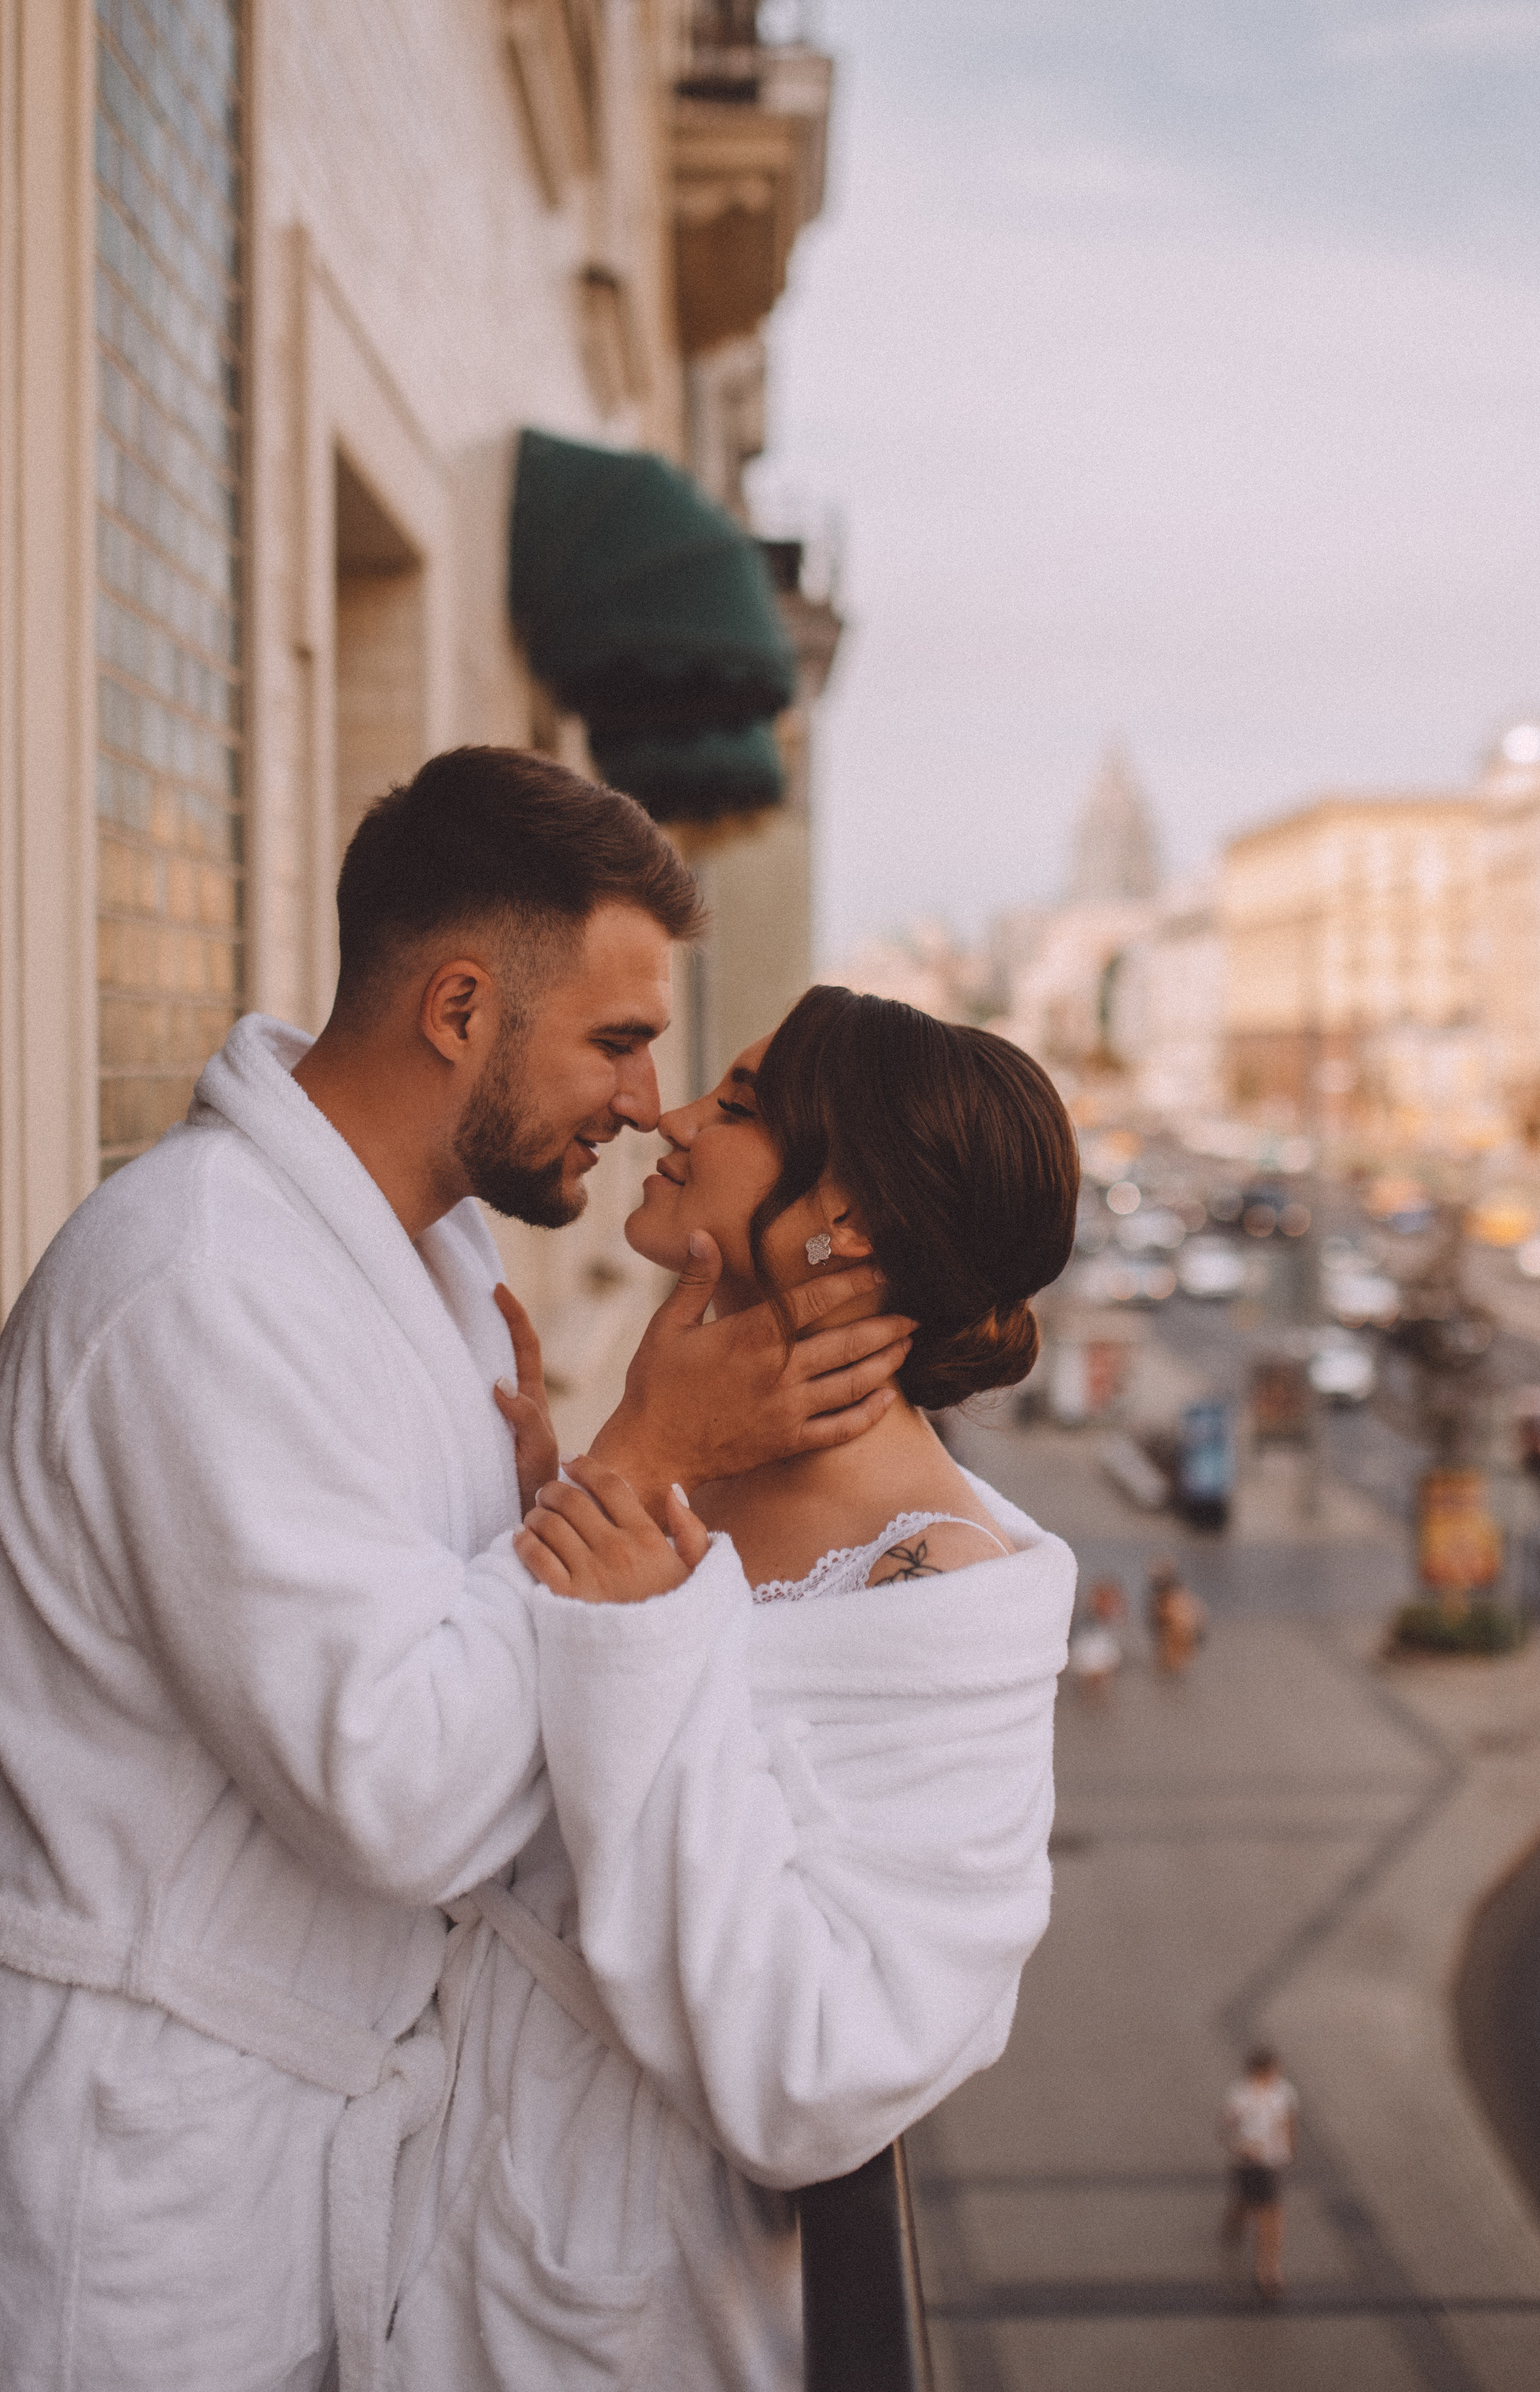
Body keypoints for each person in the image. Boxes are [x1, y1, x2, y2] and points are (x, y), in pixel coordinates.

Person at [0, 751, 916, 2392]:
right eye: (617, 1040)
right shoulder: (203, 1284)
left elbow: (455, 1659)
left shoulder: (423, 1256)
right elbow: (399, 1790)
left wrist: (562, 1497)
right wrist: (639, 1459)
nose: (645, 1101)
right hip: (112, 2210)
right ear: (461, 1006)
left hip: (296, 2161)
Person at [384, 987, 1081, 2389]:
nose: (675, 1113)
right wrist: (540, 1516)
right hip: (415, 2224)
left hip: (609, 2316)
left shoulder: (941, 1600)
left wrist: (637, 1641)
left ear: (856, 1219)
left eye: (747, 1106)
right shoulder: (681, 1461)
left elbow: (820, 2066)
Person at [1220, 2045, 1299, 2298]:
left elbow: (1289, 2121)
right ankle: (1236, 2225)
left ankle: (1268, 2270)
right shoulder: (1240, 2095)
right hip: (1249, 2163)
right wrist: (1240, 2147)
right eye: (1271, 2070)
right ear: (1258, 2071)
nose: (1276, 2074)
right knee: (1254, 2208)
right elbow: (1224, 2130)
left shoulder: (1284, 2091)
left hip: (1273, 2163)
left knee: (1271, 2215)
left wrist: (1288, 2151)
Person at [1069, 1575, 1127, 1698]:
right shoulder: (1090, 1614)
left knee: (1096, 1691)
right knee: (1092, 1690)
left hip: (1099, 1652)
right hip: (1089, 1652)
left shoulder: (1107, 1617)